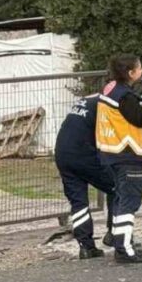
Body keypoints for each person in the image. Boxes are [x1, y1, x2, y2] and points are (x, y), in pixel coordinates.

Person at [96, 54, 142, 264]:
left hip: (112, 153)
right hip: (129, 153)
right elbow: (139, 119)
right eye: (139, 68)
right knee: (129, 202)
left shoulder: (111, 89)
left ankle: (119, 241)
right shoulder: (124, 96)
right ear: (131, 73)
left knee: (121, 200)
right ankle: (124, 248)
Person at [55, 93, 117, 259]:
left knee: (78, 201)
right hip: (83, 154)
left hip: (62, 153)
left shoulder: (89, 100)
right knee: (117, 187)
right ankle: (115, 233)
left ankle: (86, 246)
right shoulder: (107, 104)